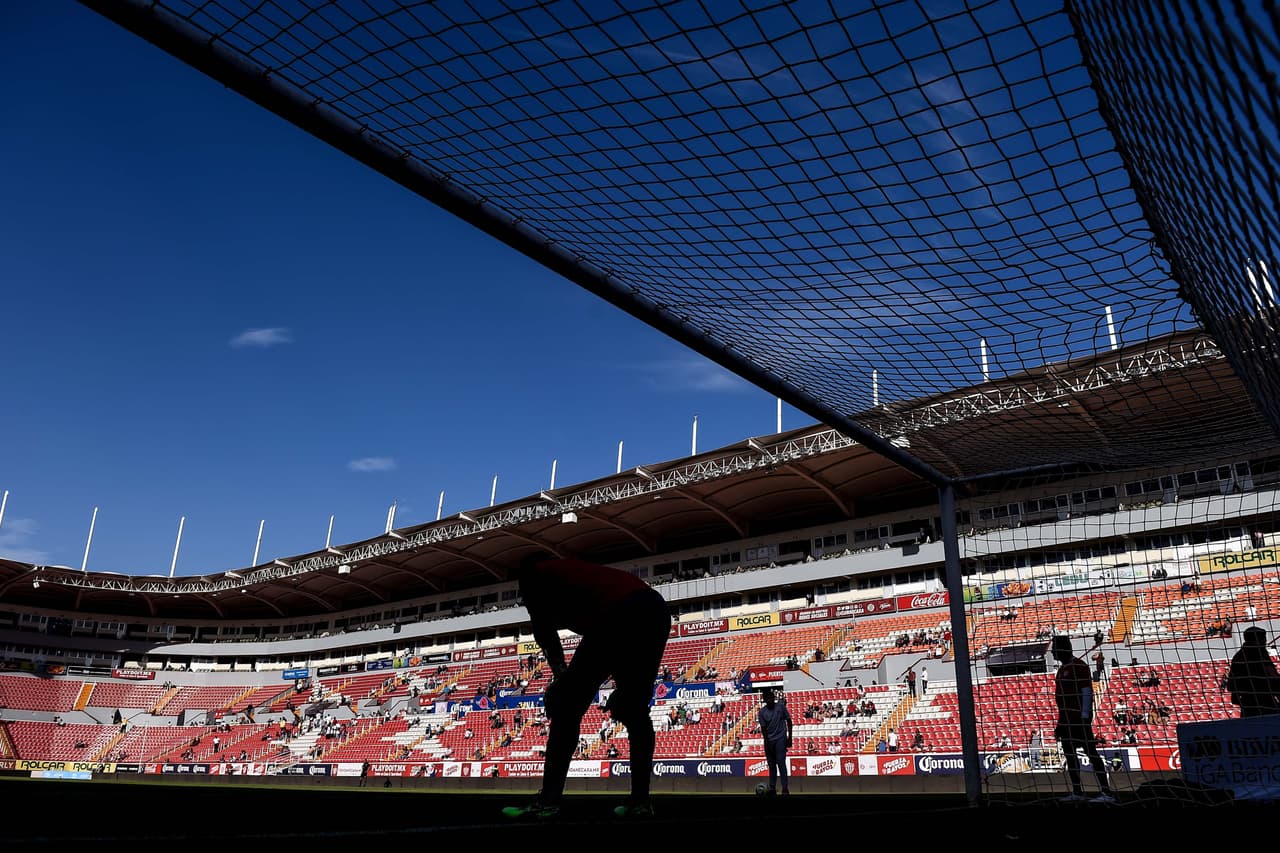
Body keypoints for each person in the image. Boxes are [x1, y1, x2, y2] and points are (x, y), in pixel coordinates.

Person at [502, 553, 671, 821]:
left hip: (620, 612)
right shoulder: (572, 573)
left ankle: (548, 801)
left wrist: (561, 679)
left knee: (566, 706)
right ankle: (640, 802)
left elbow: (545, 632)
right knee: (634, 710)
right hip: (655, 610)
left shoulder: (535, 576)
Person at [1051, 635, 1115, 803]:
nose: (1051, 652)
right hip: (1066, 721)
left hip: (1078, 720)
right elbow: (1061, 702)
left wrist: (1085, 717)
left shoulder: (1079, 666)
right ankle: (1077, 792)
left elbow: (1087, 692)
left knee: (1091, 753)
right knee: (1070, 756)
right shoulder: (1061, 670)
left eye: (1054, 648)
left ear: (1062, 649)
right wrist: (1059, 723)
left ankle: (1107, 792)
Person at [1226, 626, 1280, 718]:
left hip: (1248, 708)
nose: (1265, 642)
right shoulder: (1260, 654)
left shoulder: (1238, 657)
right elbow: (1274, 680)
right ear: (1260, 640)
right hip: (1267, 705)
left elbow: (1231, 686)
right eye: (1264, 639)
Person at [757, 687, 794, 795]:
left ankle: (785, 787)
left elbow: (789, 721)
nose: (770, 700)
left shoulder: (781, 707)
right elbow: (763, 729)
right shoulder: (762, 712)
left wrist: (789, 737)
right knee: (772, 765)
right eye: (768, 698)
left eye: (772, 698)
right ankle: (772, 788)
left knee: (781, 763)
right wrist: (767, 742)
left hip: (780, 739)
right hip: (769, 740)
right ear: (765, 700)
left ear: (774, 698)